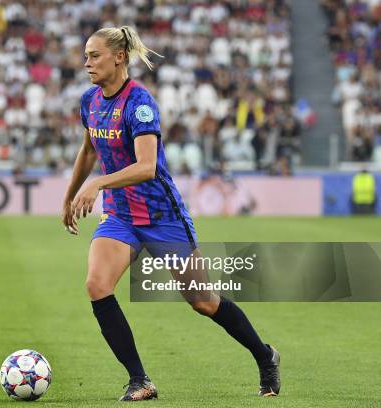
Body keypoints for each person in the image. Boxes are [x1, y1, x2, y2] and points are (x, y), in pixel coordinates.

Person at [61, 26, 281, 402]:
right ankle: (139, 380)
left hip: (162, 216)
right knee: (97, 285)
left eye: (94, 55)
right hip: (120, 216)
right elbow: (88, 150)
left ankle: (265, 356)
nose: (86, 63)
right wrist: (69, 198)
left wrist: (97, 185)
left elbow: (147, 167)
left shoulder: (140, 103)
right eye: (85, 55)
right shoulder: (90, 101)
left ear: (119, 57)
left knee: (203, 302)